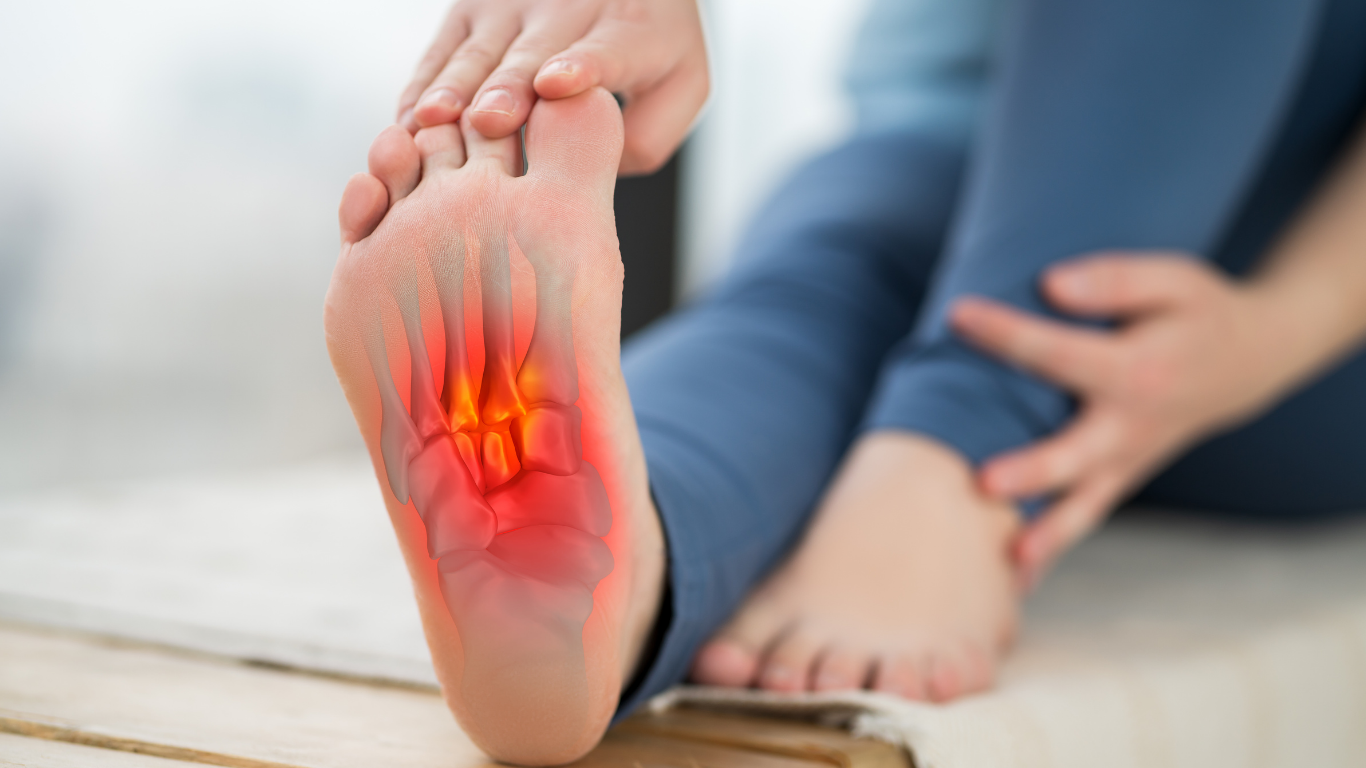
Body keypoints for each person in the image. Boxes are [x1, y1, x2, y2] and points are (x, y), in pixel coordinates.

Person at [325, 0, 1366, 762]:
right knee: (820, 288)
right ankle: (631, 558)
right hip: (953, 190)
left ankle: (952, 453)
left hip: (1304, 337)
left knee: (815, 295)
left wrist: (1281, 328)